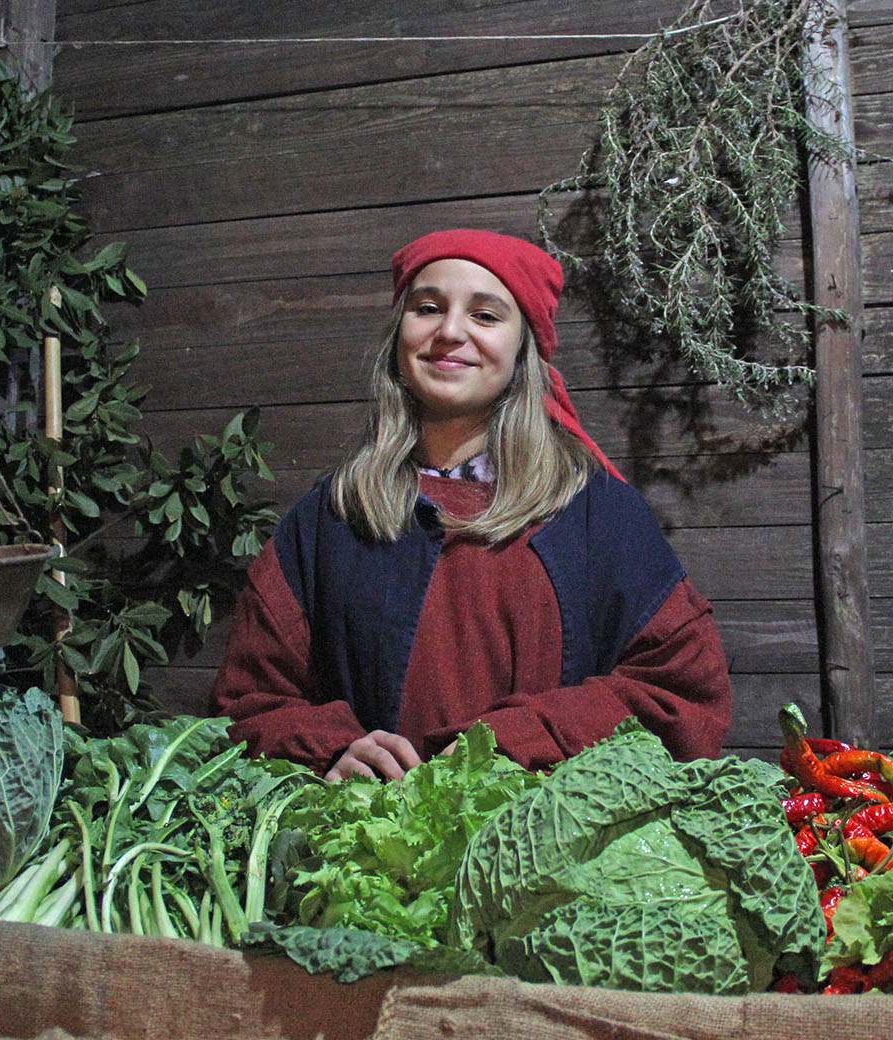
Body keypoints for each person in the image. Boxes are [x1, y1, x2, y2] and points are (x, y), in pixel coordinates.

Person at [209, 229, 731, 780]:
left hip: (550, 856)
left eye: (486, 316)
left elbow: (680, 692)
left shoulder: (597, 515)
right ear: (399, 335)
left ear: (523, 350)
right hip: (364, 852)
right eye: (428, 308)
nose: (450, 331)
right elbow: (249, 703)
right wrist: (327, 750)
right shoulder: (330, 518)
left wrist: (519, 741)